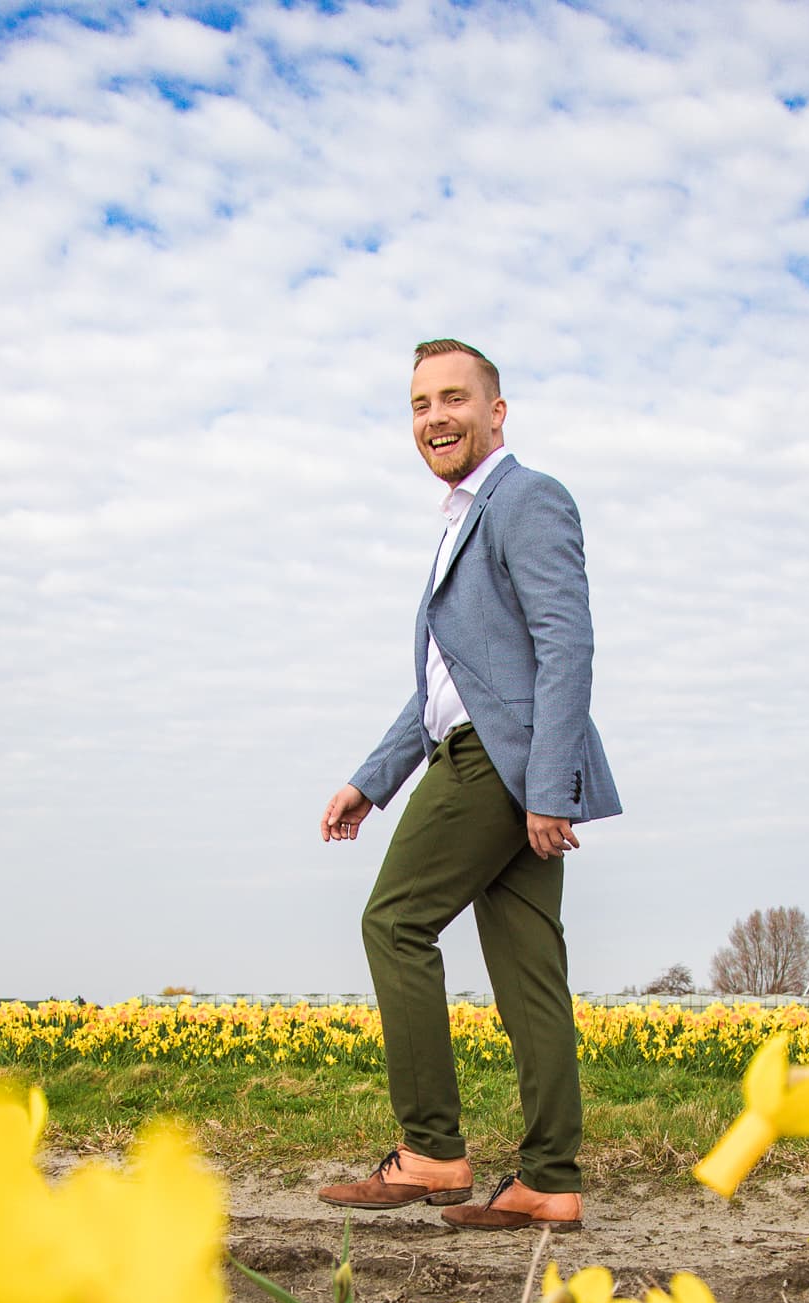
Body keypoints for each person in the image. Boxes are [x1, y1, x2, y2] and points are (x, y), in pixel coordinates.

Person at [316, 339, 621, 1232]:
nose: (435, 417)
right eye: (419, 404)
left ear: (496, 411)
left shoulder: (526, 498)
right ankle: (549, 1181)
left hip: (496, 763)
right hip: (502, 759)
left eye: (454, 398)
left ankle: (430, 1151)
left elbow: (568, 644)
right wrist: (370, 783)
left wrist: (549, 783)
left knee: (393, 922)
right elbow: (443, 687)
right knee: (530, 971)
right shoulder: (461, 519)